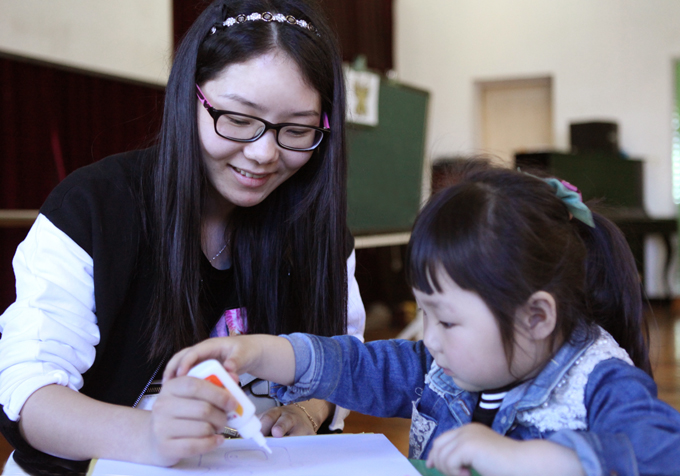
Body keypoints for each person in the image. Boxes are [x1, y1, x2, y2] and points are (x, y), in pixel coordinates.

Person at [0, 0, 366, 474]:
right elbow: (29, 396)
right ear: (188, 98)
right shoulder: (95, 208)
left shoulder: (318, 232)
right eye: (237, 119)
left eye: (296, 130)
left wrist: (306, 411)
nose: (263, 154)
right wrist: (149, 435)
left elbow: (344, 359)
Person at [165, 166, 680, 476]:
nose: (428, 339)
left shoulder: (601, 381)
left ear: (537, 316)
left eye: (448, 322)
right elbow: (354, 365)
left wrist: (526, 459)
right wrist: (256, 352)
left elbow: (664, 454)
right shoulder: (443, 365)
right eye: (424, 314)